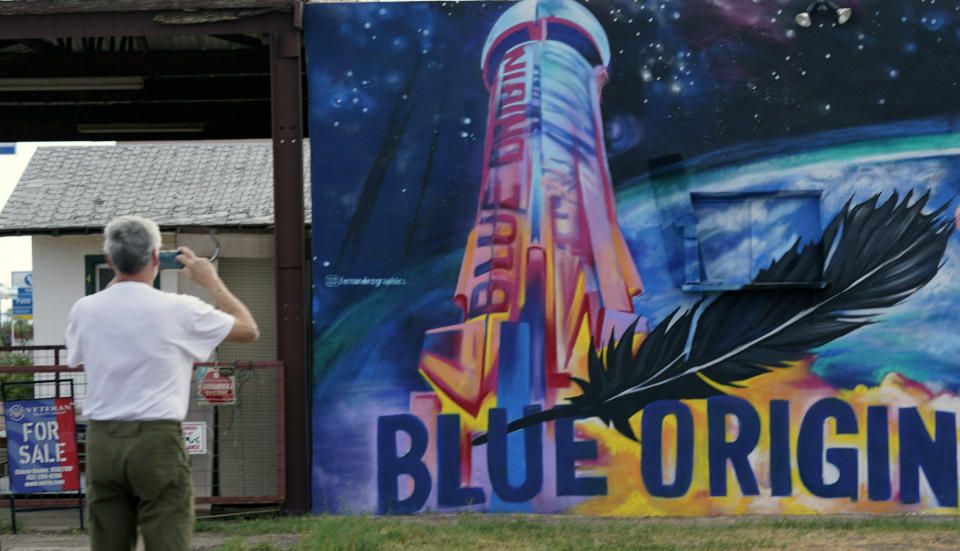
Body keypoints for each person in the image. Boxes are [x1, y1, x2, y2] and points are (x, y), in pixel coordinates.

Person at [65, 215, 259, 550]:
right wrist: (211, 282)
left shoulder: (85, 309)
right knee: (167, 537)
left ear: (110, 261)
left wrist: (118, 281)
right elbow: (248, 329)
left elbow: (76, 356)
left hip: (101, 441)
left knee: (108, 541)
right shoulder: (180, 309)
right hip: (156, 439)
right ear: (156, 258)